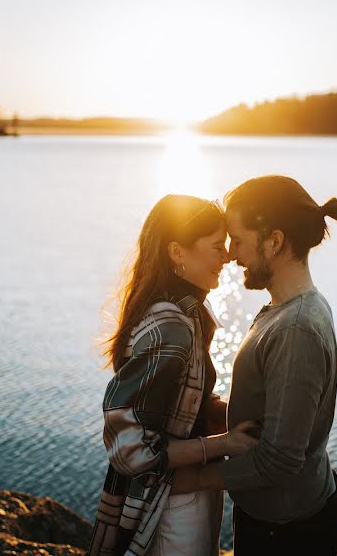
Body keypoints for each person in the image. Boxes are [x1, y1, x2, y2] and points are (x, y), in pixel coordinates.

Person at [173, 176, 337, 555]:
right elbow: (267, 414)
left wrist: (190, 479)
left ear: (274, 240)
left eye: (237, 239)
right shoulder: (289, 309)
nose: (231, 254)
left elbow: (281, 459)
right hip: (281, 519)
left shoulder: (297, 328)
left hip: (288, 532)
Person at [89, 194, 259, 556]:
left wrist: (230, 413)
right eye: (217, 246)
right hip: (169, 505)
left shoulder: (189, 314)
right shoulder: (172, 327)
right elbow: (130, 447)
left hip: (189, 490)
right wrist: (225, 444)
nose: (227, 257)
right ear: (177, 252)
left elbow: (181, 404)